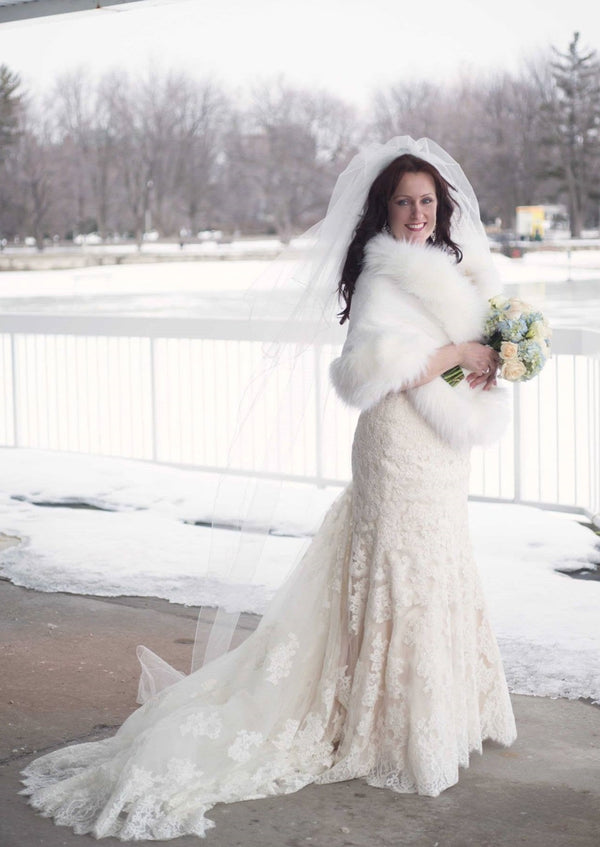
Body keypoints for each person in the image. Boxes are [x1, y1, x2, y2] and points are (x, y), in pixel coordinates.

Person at [20, 138, 516, 840]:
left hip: (442, 452)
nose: (415, 214)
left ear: (442, 209)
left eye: (426, 202)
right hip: (397, 447)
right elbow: (374, 366)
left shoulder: (456, 271)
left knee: (439, 565)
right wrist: (458, 354)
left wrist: (484, 365)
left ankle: (443, 709)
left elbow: (449, 367)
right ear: (386, 209)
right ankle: (384, 722)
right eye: (404, 202)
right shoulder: (383, 276)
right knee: (397, 568)